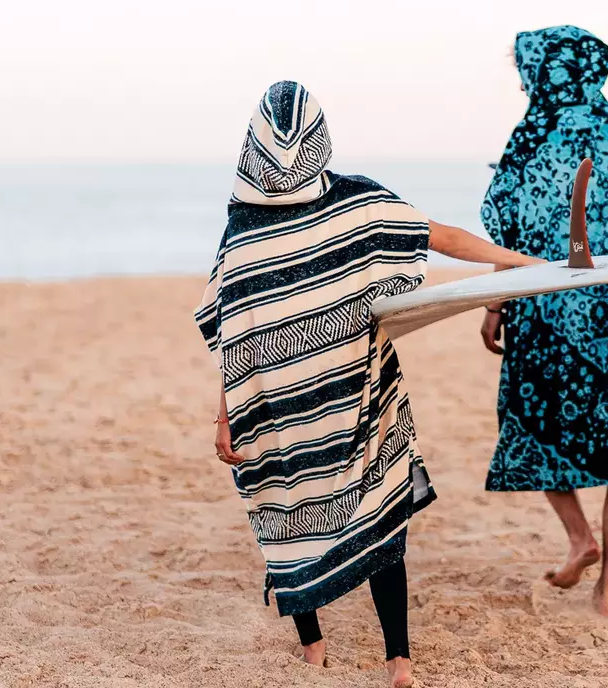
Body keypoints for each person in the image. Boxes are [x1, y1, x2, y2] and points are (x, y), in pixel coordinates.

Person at [196, 81, 540, 687]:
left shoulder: (256, 225)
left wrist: (227, 413)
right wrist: (518, 262)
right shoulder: (346, 204)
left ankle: (328, 652)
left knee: (290, 509)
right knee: (376, 508)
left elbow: (232, 332)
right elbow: (438, 237)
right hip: (341, 398)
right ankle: (392, 663)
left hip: (293, 406)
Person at [480, 26, 608, 617]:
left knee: (534, 429)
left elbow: (507, 235)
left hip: (548, 321)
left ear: (540, 74)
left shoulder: (528, 141)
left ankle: (578, 537)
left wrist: (496, 305)